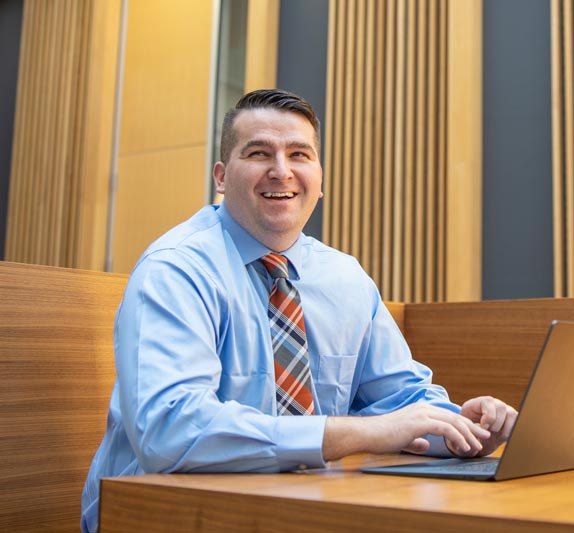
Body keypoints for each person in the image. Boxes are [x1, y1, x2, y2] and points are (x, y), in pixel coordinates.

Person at [80, 88, 517, 532]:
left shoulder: (344, 278)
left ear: (319, 178)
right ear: (222, 176)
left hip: (305, 510)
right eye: (258, 153)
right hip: (164, 516)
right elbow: (170, 432)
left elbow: (402, 402)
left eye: (299, 154)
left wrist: (461, 429)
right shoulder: (176, 269)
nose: (281, 171)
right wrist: (357, 433)